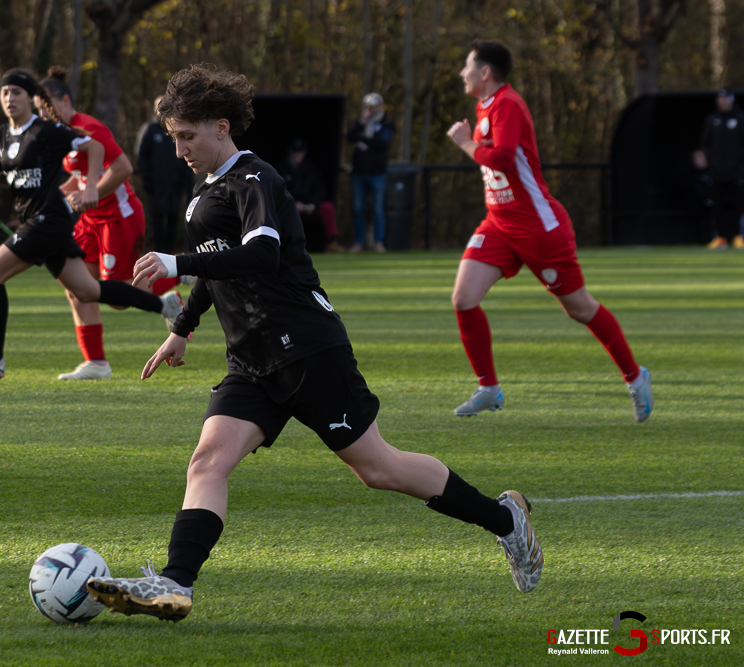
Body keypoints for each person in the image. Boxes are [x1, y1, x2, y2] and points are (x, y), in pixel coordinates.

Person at [83, 64, 544, 624]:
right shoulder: (207, 189)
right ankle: (176, 585)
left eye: (186, 136)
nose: (179, 149)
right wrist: (184, 328)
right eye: (173, 137)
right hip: (251, 361)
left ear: (221, 128)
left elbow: (262, 253)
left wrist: (175, 263)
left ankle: (506, 521)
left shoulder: (255, 179)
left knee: (379, 469)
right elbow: (218, 270)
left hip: (305, 346)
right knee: (207, 460)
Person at [445, 40, 653, 422]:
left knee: (580, 309)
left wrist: (465, 143)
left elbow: (504, 159)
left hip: (539, 228)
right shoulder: (484, 105)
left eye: (467, 65)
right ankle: (488, 387)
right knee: (463, 297)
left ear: (485, 72)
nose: (463, 72)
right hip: (498, 224)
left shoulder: (509, 103)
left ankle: (636, 377)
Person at [0, 68, 182, 381]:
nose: (10, 98)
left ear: (39, 101)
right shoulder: (1, 136)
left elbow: (105, 156)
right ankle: (159, 310)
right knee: (85, 291)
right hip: (59, 220)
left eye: (17, 93)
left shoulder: (51, 130)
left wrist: (90, 190)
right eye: (5, 93)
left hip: (68, 219)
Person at [37, 68, 184, 381]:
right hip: (91, 221)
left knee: (118, 298)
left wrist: (91, 192)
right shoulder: (61, 131)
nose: (42, 115)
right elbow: (79, 178)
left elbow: (123, 169)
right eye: (38, 110)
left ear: (64, 101)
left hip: (119, 217)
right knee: (77, 287)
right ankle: (97, 363)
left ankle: (181, 275)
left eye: (46, 108)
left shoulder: (90, 128)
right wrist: (54, 198)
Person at [137, 96, 196, 254]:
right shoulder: (149, 129)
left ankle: (169, 253)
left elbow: (185, 155)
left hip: (174, 187)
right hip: (156, 186)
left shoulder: (176, 129)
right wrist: (147, 180)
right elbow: (141, 156)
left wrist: (184, 180)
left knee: (173, 218)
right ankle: (158, 252)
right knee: (157, 220)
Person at [693, 89, 744, 250]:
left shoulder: (741, 119)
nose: (722, 102)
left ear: (731, 100)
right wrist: (703, 159)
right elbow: (705, 145)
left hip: (737, 172)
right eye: (720, 99)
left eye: (725, 99)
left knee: (738, 205)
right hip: (716, 172)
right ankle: (721, 238)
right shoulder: (712, 120)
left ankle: (738, 237)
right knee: (718, 206)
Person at [346, 93, 394, 253]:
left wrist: (363, 140)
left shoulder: (386, 123)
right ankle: (358, 243)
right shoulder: (361, 123)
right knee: (358, 209)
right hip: (359, 172)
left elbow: (381, 143)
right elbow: (350, 137)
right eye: (367, 107)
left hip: (377, 173)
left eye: (373, 107)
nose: (370, 110)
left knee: (378, 209)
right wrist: (360, 125)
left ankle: (378, 242)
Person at [278, 137, 344, 252]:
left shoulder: (311, 169)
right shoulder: (281, 169)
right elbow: (278, 192)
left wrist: (312, 204)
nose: (298, 155)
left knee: (327, 207)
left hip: (308, 206)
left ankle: (331, 242)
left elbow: (320, 190)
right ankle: (281, 245)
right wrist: (292, 203)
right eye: (295, 152)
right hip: (289, 207)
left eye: (300, 152)